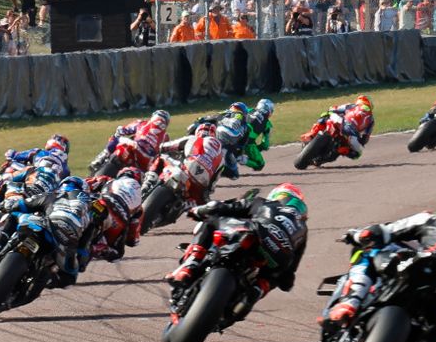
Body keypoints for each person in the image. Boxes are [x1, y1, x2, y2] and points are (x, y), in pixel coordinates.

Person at [324, 194, 436, 330]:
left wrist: (356, 235)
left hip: (422, 265)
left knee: (368, 253)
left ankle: (350, 301)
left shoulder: (431, 218)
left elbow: (386, 231)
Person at [167, 184, 310, 319]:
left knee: (211, 220)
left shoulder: (265, 203)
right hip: (280, 256)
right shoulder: (302, 229)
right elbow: (289, 277)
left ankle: (190, 265)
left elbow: (223, 207)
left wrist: (198, 211)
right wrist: (281, 280)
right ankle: (255, 292)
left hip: (255, 233)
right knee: (274, 276)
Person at [86, 167, 146, 261]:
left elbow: (86, 184)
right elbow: (133, 239)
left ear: (120, 174)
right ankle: (95, 248)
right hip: (118, 220)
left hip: (101, 204)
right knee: (117, 254)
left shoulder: (108, 180)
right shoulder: (139, 206)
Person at [311, 94, 375, 159]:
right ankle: (339, 151)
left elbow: (334, 109)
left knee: (325, 115)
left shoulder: (352, 106)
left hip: (341, 123)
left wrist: (330, 112)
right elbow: (365, 138)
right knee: (357, 154)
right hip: (352, 135)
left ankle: (312, 134)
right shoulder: (371, 120)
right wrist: (360, 141)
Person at [106, 109, 171, 170]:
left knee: (115, 139)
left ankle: (102, 158)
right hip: (148, 160)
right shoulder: (166, 137)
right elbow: (165, 153)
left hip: (134, 146)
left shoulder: (142, 123)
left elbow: (123, 130)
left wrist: (116, 134)